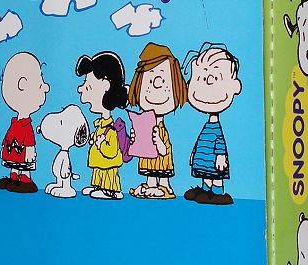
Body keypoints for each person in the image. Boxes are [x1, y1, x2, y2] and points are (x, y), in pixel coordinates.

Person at [182, 43, 242, 205]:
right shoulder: (208, 126)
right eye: (200, 78)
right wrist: (194, 154)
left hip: (214, 161)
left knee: (215, 177)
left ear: (235, 86)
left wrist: (221, 156)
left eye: (214, 78)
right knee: (206, 176)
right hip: (204, 160)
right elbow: (201, 142)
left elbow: (219, 143)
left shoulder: (216, 128)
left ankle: (217, 193)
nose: (207, 84)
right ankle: (205, 190)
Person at [127, 43, 187, 199]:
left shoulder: (161, 129)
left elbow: (165, 150)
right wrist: (135, 139)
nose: (156, 86)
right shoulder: (145, 124)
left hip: (162, 163)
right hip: (148, 161)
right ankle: (151, 184)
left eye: (163, 81)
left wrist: (158, 142)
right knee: (150, 174)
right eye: (149, 81)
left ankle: (165, 186)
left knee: (162, 173)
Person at [76, 51, 128, 200]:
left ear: (105, 86)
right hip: (100, 164)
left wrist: (100, 144)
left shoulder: (111, 129)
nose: (81, 89)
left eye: (88, 86)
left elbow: (111, 151)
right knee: (99, 173)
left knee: (107, 176)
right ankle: (98, 186)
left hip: (108, 165)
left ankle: (110, 190)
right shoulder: (101, 125)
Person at [0, 52, 50, 194]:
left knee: (24, 166)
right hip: (12, 151)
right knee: (14, 165)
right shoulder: (16, 122)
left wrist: (30, 150)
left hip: (22, 151)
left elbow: (29, 140)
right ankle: (13, 177)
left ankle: (25, 179)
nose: (46, 88)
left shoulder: (26, 124)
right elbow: (9, 136)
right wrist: (4, 147)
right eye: (40, 84)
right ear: (22, 85)